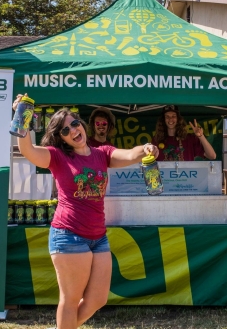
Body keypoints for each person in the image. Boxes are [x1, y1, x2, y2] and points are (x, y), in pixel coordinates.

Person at [13, 94, 158, 329]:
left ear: (82, 124)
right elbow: (27, 149)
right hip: (68, 236)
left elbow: (132, 154)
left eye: (74, 123)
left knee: (98, 299)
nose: (73, 130)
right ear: (61, 138)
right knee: (70, 300)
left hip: (98, 237)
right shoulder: (57, 157)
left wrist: (146, 148)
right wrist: (21, 115)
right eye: (65, 130)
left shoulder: (103, 154)